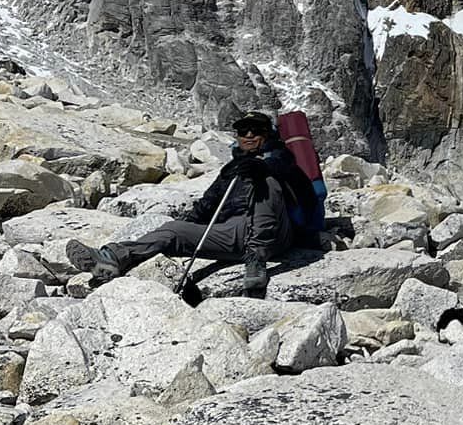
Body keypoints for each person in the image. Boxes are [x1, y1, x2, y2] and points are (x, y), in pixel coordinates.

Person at [93, 113, 321, 297]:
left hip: (275, 235)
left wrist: (264, 168)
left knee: (266, 181)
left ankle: (256, 261)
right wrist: (188, 229)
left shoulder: (282, 159)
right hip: (232, 233)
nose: (249, 135)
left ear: (268, 134)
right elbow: (207, 205)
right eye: (244, 131)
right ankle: (115, 256)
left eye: (257, 130)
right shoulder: (232, 169)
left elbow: (290, 175)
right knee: (174, 230)